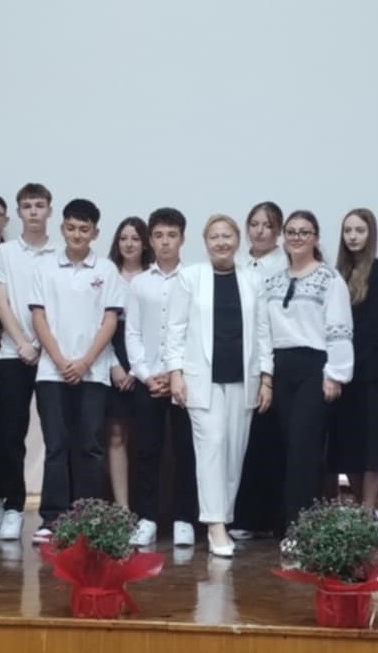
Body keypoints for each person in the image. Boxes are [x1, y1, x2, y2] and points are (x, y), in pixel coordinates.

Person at [166, 214, 265, 557]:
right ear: (205, 242)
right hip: (200, 380)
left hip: (243, 378)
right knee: (211, 446)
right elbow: (175, 329)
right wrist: (175, 373)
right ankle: (214, 525)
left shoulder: (253, 279)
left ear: (237, 240)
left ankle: (224, 517)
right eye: (214, 237)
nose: (221, 242)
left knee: (233, 452)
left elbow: (263, 331)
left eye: (227, 236)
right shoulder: (190, 277)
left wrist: (267, 377)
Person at [29, 199, 125, 544]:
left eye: (84, 229)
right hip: (51, 372)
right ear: (62, 229)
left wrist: (85, 361)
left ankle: (89, 518)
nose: (77, 234)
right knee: (56, 445)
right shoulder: (44, 267)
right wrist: (59, 359)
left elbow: (110, 320)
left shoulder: (107, 270)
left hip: (93, 372)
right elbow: (38, 317)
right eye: (71, 228)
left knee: (90, 445)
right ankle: (52, 518)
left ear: (95, 233)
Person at [256, 210, 354, 529]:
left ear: (316, 238)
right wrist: (266, 376)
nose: (297, 237)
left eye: (304, 232)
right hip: (281, 366)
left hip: (314, 367)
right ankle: (282, 522)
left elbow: (339, 328)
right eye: (292, 232)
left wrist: (335, 374)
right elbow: (264, 331)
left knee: (305, 447)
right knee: (283, 445)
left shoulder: (329, 279)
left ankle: (301, 525)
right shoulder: (272, 282)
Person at [0, 183, 58, 541]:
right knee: (9, 434)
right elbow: (1, 304)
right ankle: (12, 506)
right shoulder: (4, 253)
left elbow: (61, 306)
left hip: (52, 357)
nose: (33, 211)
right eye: (27, 206)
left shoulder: (60, 253)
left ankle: (55, 511)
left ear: (49, 211)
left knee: (55, 435)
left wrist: (43, 345)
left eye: (39, 205)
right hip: (12, 353)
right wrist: (22, 343)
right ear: (18, 212)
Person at [126, 208, 197, 548]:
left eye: (172, 235)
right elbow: (133, 333)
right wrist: (145, 374)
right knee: (147, 450)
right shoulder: (139, 283)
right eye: (158, 235)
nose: (165, 242)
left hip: (184, 380)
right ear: (150, 240)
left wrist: (177, 374)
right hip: (149, 379)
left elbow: (197, 333)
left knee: (187, 450)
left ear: (182, 239)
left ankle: (185, 518)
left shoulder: (194, 280)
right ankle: (147, 518)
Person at [330, 208, 378, 509]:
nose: (353, 236)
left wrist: (345, 355)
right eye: (348, 231)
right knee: (348, 443)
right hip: (339, 371)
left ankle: (369, 509)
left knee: (372, 445)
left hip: (369, 368)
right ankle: (358, 506)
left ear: (371, 234)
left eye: (359, 230)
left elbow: (371, 325)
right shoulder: (335, 273)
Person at [231, 200, 288, 541]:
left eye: (268, 225)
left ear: (278, 231)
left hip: (276, 357)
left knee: (272, 440)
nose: (260, 231)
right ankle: (245, 516)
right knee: (244, 441)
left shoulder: (286, 263)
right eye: (254, 224)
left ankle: (274, 518)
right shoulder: (236, 262)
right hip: (240, 359)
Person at [105, 217, 152, 508]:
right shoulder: (107, 275)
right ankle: (122, 508)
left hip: (146, 360)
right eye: (123, 238)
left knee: (146, 436)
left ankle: (147, 509)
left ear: (145, 243)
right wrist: (115, 365)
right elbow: (99, 326)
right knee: (116, 434)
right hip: (113, 355)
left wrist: (138, 369)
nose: (129, 244)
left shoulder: (154, 276)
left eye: (135, 238)